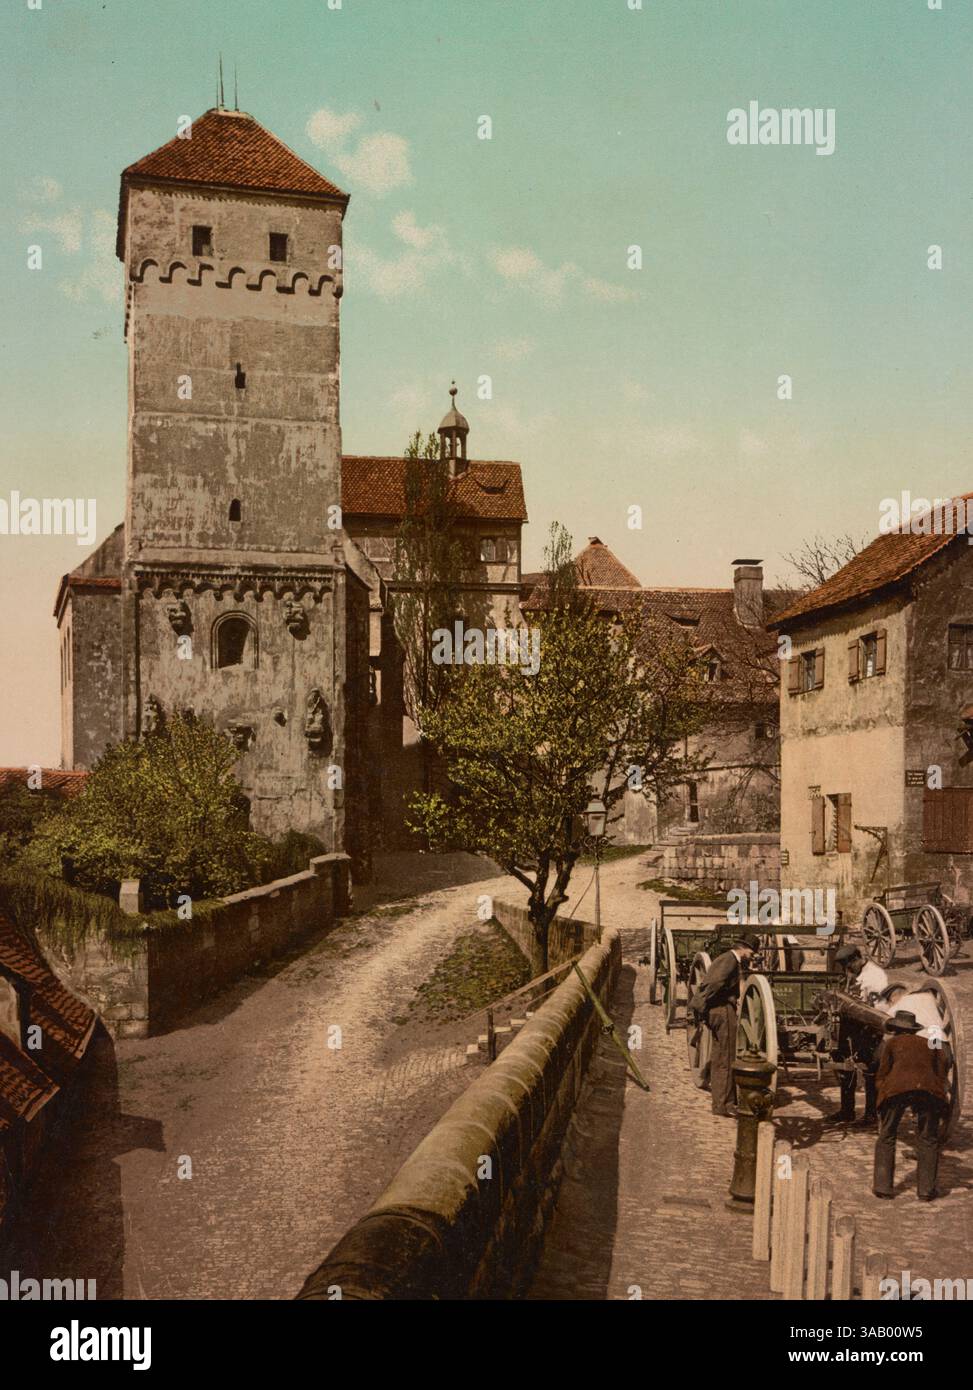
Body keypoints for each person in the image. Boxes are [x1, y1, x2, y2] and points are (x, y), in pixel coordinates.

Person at [873, 1010, 949, 1201]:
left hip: (896, 1089)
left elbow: (881, 1071)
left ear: (896, 1029)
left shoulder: (891, 1044)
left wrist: (882, 1093)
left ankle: (883, 1187)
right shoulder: (929, 1043)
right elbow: (943, 1065)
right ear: (914, 1030)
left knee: (887, 1136)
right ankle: (926, 1190)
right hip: (928, 1090)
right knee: (928, 1139)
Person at [693, 933, 760, 1117]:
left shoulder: (728, 959)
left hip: (719, 1010)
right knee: (726, 1058)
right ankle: (725, 1105)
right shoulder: (729, 960)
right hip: (722, 1011)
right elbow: (713, 984)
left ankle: (722, 1103)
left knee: (721, 1057)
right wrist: (705, 1004)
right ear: (743, 949)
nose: (752, 956)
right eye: (751, 952)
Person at [825, 944, 888, 1125]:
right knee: (843, 1065)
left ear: (857, 960)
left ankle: (871, 1114)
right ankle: (847, 1111)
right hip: (850, 1027)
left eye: (849, 965)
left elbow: (878, 1009)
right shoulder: (855, 972)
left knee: (871, 1068)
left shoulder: (875, 977)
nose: (847, 970)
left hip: (869, 1029)